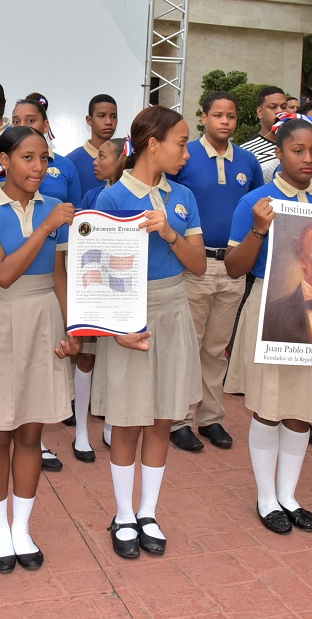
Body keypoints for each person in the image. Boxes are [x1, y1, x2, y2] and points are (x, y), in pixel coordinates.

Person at [0, 126, 79, 573]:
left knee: (32, 432)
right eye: (27, 158)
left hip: (44, 316)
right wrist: (46, 226)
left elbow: (62, 274)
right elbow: (2, 274)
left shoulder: (57, 210)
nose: (39, 167)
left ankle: (22, 526)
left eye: (44, 158)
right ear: (4, 161)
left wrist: (72, 326)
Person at [223, 117, 312, 535]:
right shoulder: (256, 202)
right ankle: (265, 497)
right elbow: (235, 268)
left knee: (302, 408)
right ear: (278, 153)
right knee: (269, 405)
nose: (308, 158)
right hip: (270, 309)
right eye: (298, 150)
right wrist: (259, 229)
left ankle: (289, 495)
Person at [93, 105, 204, 560]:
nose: (186, 153)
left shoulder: (183, 197)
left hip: (173, 307)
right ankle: (122, 514)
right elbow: (95, 275)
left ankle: (148, 511)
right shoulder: (111, 199)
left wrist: (171, 232)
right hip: (127, 317)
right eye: (180, 143)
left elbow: (198, 264)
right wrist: (117, 328)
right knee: (127, 417)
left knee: (161, 415)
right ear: (153, 144)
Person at [169, 91, 264, 453]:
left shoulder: (248, 161)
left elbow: (257, 208)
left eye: (231, 116)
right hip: (195, 263)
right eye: (218, 115)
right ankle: (178, 419)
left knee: (215, 348)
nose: (225, 121)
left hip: (234, 266)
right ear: (203, 118)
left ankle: (210, 418)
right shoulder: (186, 155)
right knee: (188, 345)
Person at [71, 137, 127, 462]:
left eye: (103, 155)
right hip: (94, 287)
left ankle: (112, 423)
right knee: (88, 356)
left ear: (121, 160)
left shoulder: (136, 196)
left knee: (118, 359)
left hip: (123, 290)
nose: (96, 160)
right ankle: (81, 432)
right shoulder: (93, 196)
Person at [0, 93, 81, 205]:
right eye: (16, 122)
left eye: (31, 120)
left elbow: (74, 214)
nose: (22, 126)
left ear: (46, 126)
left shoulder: (67, 166)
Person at [66, 94, 119, 196]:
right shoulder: (71, 162)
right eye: (101, 116)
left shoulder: (125, 160)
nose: (108, 122)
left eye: (113, 116)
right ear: (89, 120)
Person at [238, 86, 288, 169]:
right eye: (272, 107)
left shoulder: (299, 144)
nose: (280, 111)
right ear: (260, 112)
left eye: (283, 107)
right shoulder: (244, 151)